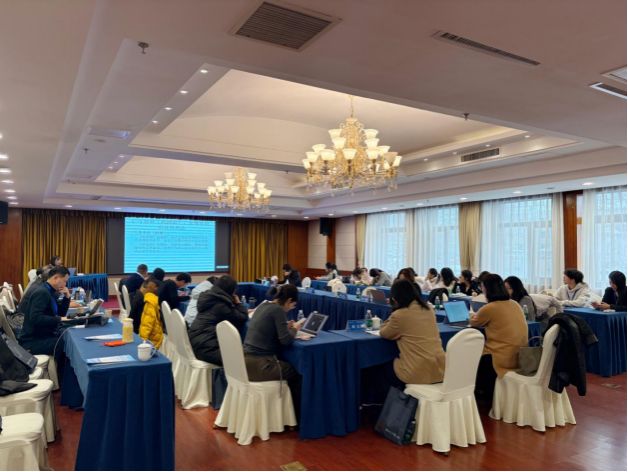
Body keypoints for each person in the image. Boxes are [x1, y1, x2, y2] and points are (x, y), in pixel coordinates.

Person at [243, 284, 301, 416]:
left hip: (245, 361)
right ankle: (292, 416)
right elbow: (286, 340)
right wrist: (294, 329)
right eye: (292, 306)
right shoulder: (278, 310)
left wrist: (285, 327)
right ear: (289, 300)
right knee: (296, 372)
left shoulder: (264, 305)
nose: (290, 309)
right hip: (260, 365)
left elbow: (269, 327)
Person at [470, 274, 528, 401]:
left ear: (487, 289)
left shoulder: (491, 307)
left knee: (470, 354)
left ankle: (476, 395)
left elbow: (473, 322)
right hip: (520, 356)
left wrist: (471, 315)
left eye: (482, 286)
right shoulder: (514, 304)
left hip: (500, 357)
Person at [380, 279, 445, 387]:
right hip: (440, 370)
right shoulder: (429, 309)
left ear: (395, 298)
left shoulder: (400, 315)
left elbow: (384, 333)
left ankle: (397, 397)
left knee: (381, 366)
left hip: (416, 373)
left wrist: (393, 312)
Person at [189, 276, 248, 365]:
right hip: (206, 349)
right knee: (244, 359)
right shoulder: (220, 305)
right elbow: (242, 317)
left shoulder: (210, 298)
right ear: (231, 290)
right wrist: (238, 303)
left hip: (196, 342)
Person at [18, 266, 71, 355]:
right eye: (65, 281)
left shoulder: (50, 290)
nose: (65, 284)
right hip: (32, 341)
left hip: (42, 335)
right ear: (56, 278)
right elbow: (36, 318)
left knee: (67, 336)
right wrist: (59, 319)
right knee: (66, 343)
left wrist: (67, 297)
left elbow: (60, 313)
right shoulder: (42, 292)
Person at [138, 279, 163, 348]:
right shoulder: (154, 299)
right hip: (156, 334)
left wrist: (143, 340)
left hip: (152, 339)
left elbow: (146, 323)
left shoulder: (150, 302)